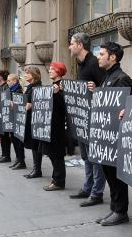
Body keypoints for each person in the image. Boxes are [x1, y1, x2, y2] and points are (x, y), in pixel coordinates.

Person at [92, 41, 132, 226]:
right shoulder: (107, 77)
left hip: (115, 137)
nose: (98, 57)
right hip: (105, 138)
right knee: (109, 173)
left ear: (113, 57)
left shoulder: (121, 78)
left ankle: (121, 211)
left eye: (101, 54)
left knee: (116, 175)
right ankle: (114, 208)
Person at [66, 32, 107, 207]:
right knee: (86, 156)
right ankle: (88, 187)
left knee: (95, 157)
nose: (69, 46)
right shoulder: (81, 64)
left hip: (93, 119)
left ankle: (97, 192)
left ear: (80, 45)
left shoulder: (93, 63)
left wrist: (97, 88)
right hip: (82, 119)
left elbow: (107, 88)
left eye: (72, 43)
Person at [40, 61, 67, 191]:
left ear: (59, 71)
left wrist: (57, 94)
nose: (50, 71)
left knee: (56, 155)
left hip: (57, 126)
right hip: (50, 125)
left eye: (52, 69)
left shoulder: (62, 86)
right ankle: (56, 179)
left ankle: (58, 181)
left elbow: (64, 106)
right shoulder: (53, 85)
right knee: (52, 154)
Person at [23, 66, 43, 179]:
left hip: (35, 120)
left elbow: (42, 104)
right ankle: (36, 168)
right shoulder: (30, 87)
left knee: (36, 145)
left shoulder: (38, 87)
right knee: (33, 145)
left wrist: (32, 106)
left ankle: (37, 169)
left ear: (34, 75)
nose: (25, 75)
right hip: (30, 118)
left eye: (27, 73)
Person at [7, 74, 26, 170]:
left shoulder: (18, 90)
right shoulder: (10, 90)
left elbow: (20, 105)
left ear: (14, 81)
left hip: (18, 119)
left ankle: (21, 161)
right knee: (14, 140)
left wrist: (12, 104)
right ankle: (18, 159)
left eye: (9, 81)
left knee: (18, 141)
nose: (8, 82)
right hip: (12, 118)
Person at [0, 70, 12, 163]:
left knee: (5, 136)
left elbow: (6, 99)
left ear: (0, 77)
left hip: (4, 115)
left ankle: (6, 155)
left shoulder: (5, 87)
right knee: (1, 136)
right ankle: (4, 154)